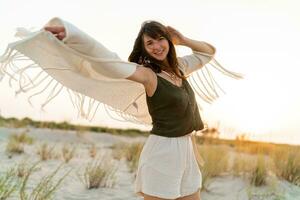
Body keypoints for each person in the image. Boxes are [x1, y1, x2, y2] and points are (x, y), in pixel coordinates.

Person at [1, 18, 241, 200]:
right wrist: (71, 35)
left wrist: (183, 39)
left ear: (168, 41)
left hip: (187, 150)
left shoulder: (179, 69)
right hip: (163, 152)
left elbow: (208, 52)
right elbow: (112, 63)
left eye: (160, 39)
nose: (157, 46)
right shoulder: (149, 75)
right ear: (144, 49)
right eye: (150, 43)